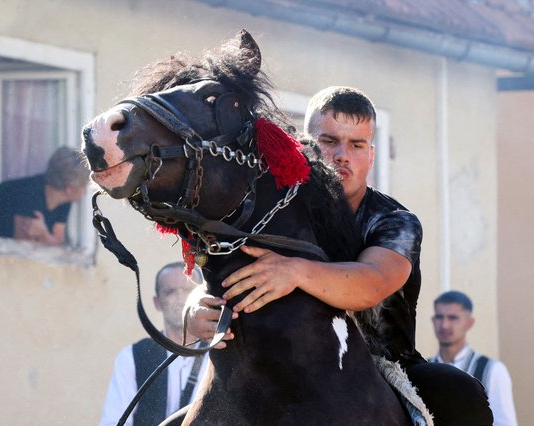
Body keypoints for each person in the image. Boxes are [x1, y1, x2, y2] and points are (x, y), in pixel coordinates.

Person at [185, 86, 493, 425]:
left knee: (460, 392)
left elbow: (371, 284)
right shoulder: (272, 210)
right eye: (329, 141)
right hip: (268, 367)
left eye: (357, 145)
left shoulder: (395, 221)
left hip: (383, 367)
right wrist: (196, 306)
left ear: (371, 156)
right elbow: (224, 263)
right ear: (302, 145)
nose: (342, 155)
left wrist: (296, 272)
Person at [99, 263, 208, 426]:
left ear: (204, 298)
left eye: (188, 290)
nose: (180, 299)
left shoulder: (219, 354)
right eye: (170, 292)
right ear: (157, 302)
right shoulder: (132, 357)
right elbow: (113, 422)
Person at [429, 290, 518, 426]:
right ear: (433, 321)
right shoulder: (424, 369)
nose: (444, 325)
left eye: (453, 318)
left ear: (469, 323)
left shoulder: (492, 370)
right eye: (440, 317)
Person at [0, 146, 88, 246]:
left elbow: (57, 244)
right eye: (84, 186)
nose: (86, 192)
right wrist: (47, 237)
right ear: (69, 190)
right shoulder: (28, 194)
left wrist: (44, 234)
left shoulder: (64, 200)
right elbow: (22, 248)